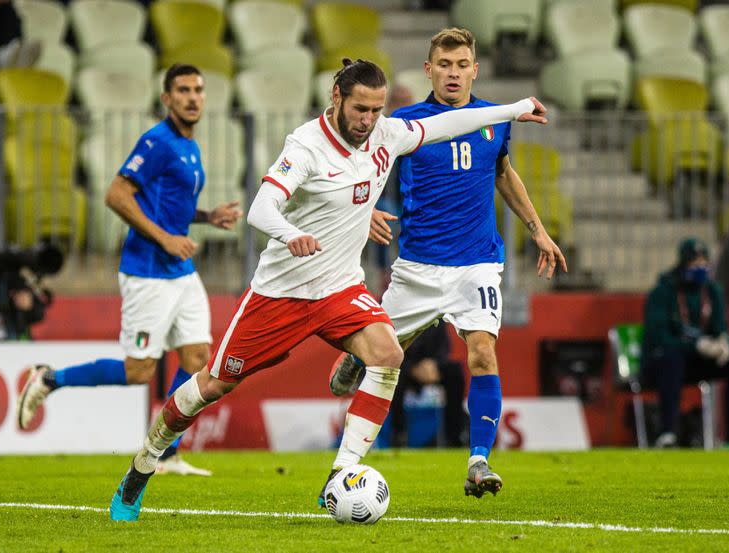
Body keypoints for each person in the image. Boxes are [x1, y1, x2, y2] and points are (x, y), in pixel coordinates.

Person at [107, 57, 548, 521]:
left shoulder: (386, 135)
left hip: (339, 290)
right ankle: (144, 462)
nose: (368, 121)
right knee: (213, 385)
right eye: (361, 109)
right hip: (281, 294)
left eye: (377, 110)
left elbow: (449, 122)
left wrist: (512, 108)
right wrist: (287, 233)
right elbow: (261, 209)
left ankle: (341, 474)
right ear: (337, 97)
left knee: (387, 352)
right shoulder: (305, 145)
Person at [327, 28, 567, 499]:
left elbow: (503, 173)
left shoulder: (494, 119)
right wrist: (367, 207)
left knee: (482, 351)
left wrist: (538, 229)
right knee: (383, 358)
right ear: (428, 69)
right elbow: (355, 166)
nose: (453, 74)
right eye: (444, 65)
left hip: (477, 263)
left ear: (474, 70)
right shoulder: (404, 123)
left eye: (462, 66)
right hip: (417, 267)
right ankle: (354, 377)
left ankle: (478, 460)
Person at [16, 64, 243, 476]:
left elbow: (169, 206)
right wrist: (166, 239)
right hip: (148, 271)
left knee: (197, 359)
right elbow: (116, 195)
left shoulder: (189, 145)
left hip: (180, 269)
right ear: (167, 98)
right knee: (140, 371)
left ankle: (164, 453)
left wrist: (209, 217)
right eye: (183, 90)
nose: (193, 97)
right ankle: (50, 379)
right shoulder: (156, 141)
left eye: (198, 90)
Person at [641, 237, 729, 449]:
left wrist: (722, 342)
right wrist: (696, 346)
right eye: (694, 263)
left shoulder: (711, 291)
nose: (700, 268)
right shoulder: (664, 291)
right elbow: (659, 337)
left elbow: (719, 326)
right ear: (683, 264)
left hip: (696, 361)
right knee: (672, 361)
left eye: (703, 263)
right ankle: (668, 434)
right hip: (661, 362)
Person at [389, 320, 466, 447]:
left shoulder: (436, 312)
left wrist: (434, 363)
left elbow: (444, 345)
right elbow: (390, 346)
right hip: (403, 365)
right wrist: (411, 367)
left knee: (455, 372)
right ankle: (398, 435)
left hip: (432, 366)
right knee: (394, 376)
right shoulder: (396, 308)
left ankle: (454, 437)